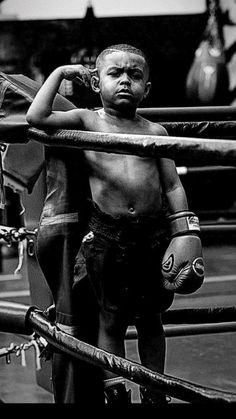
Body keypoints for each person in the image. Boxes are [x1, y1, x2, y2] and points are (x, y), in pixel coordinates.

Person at [26, 44, 204, 405]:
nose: (125, 80)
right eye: (115, 73)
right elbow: (36, 117)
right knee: (111, 321)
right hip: (108, 237)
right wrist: (61, 72)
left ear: (147, 88)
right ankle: (115, 389)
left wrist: (186, 231)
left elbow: (172, 185)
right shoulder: (88, 121)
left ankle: (157, 390)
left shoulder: (156, 129)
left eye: (135, 75)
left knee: (152, 319)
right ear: (96, 82)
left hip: (153, 237)